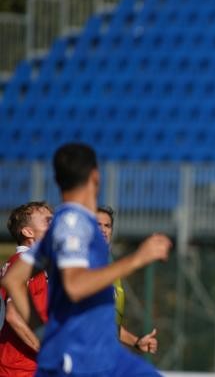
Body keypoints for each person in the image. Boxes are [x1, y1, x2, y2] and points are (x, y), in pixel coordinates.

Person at [1, 143, 171, 377]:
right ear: (95, 175)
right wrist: (137, 259)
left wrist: (44, 333)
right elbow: (74, 285)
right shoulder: (73, 223)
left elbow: (13, 279)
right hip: (80, 357)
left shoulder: (66, 223)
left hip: (102, 353)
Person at [96, 206, 159, 353]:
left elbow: (110, 326)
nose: (103, 230)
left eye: (107, 226)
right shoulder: (81, 265)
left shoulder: (110, 267)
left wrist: (136, 341)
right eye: (97, 225)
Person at [0, 202, 52, 376]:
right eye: (48, 222)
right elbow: (13, 315)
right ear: (28, 232)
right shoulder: (24, 263)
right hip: (20, 369)